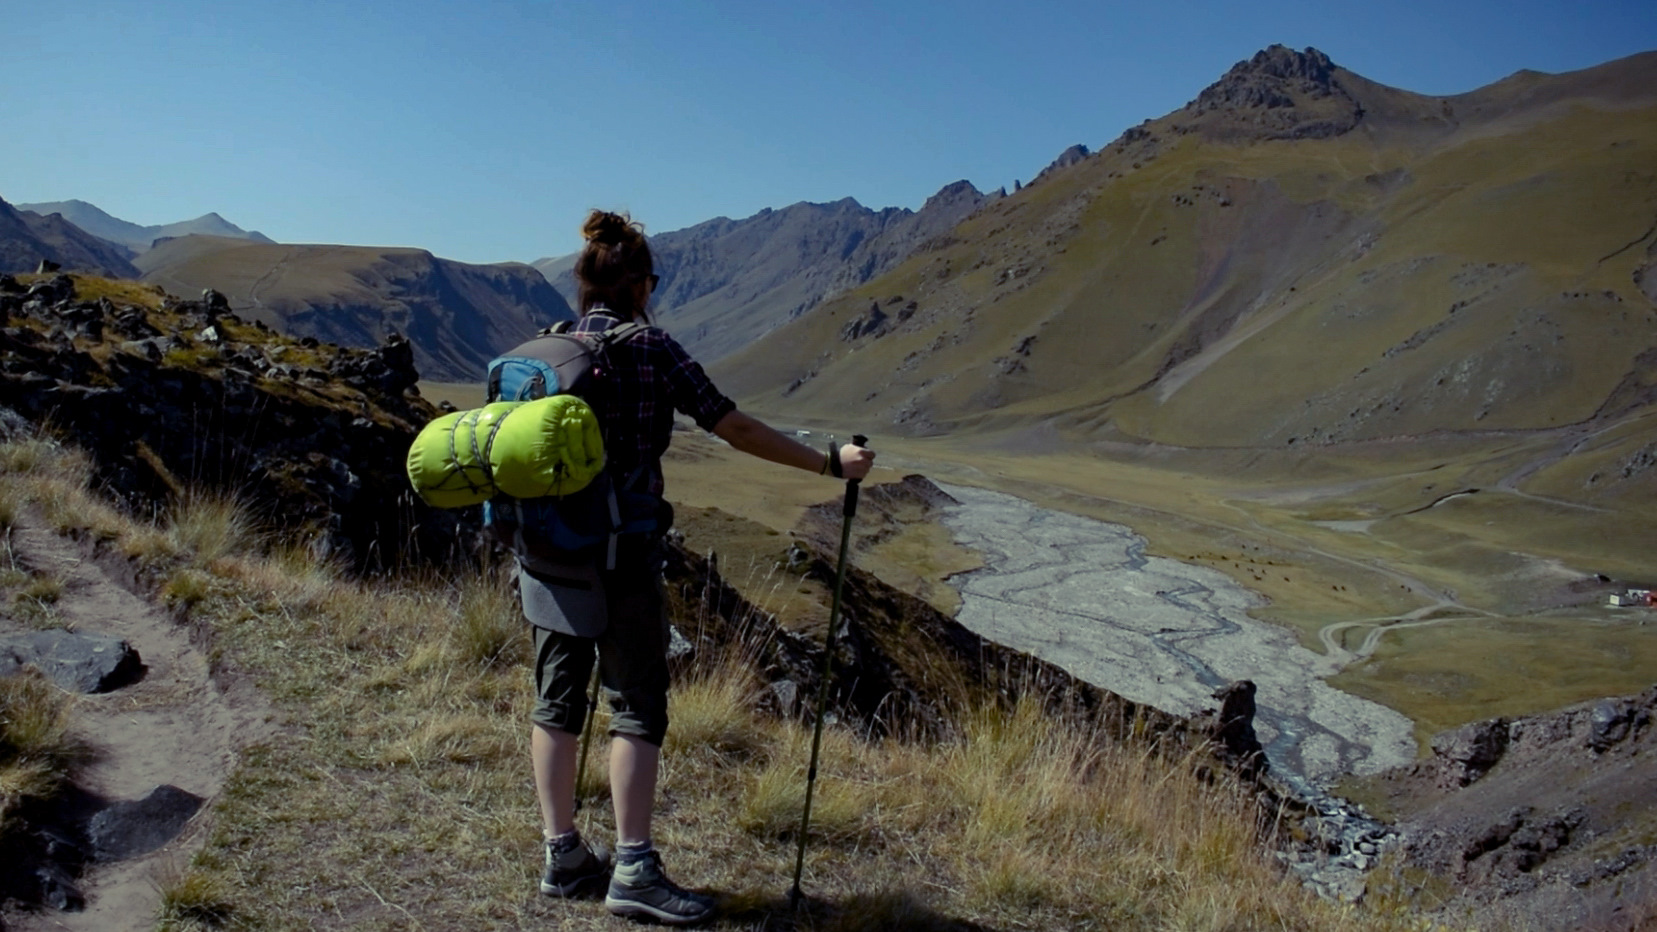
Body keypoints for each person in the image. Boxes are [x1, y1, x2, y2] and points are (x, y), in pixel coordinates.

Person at [525, 209, 874, 925]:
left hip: (547, 550)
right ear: (640, 284)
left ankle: (561, 856)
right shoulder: (653, 348)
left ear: (580, 285)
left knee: (556, 700)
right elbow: (731, 423)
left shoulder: (542, 348)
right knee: (636, 705)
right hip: (623, 551)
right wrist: (825, 463)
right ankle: (633, 869)